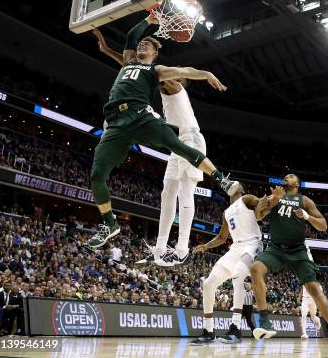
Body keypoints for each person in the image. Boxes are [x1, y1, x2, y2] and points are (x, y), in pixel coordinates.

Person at [87, 15, 239, 249]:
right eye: (141, 44)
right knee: (97, 176)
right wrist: (148, 20)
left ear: (155, 54)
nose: (141, 45)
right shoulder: (129, 62)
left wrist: (205, 73)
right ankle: (110, 223)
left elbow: (185, 70)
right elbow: (131, 37)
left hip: (141, 116)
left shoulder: (157, 71)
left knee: (179, 147)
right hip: (116, 122)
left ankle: (221, 179)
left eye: (147, 45)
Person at [249, 174, 328, 350]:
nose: (286, 178)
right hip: (276, 249)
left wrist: (307, 217)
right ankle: (265, 322)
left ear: (297, 183)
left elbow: (323, 226)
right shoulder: (273, 196)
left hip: (298, 251)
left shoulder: (305, 201)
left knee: (314, 289)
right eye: (285, 176)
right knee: (256, 268)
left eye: (290, 176)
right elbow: (258, 216)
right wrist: (273, 201)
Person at [189, 184, 264, 344]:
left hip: (252, 244)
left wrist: (271, 200)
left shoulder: (246, 198)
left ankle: (235, 329)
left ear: (241, 189)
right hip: (236, 248)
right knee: (208, 284)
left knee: (237, 276)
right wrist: (206, 246)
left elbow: (262, 208)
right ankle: (208, 331)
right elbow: (222, 238)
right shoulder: (227, 212)